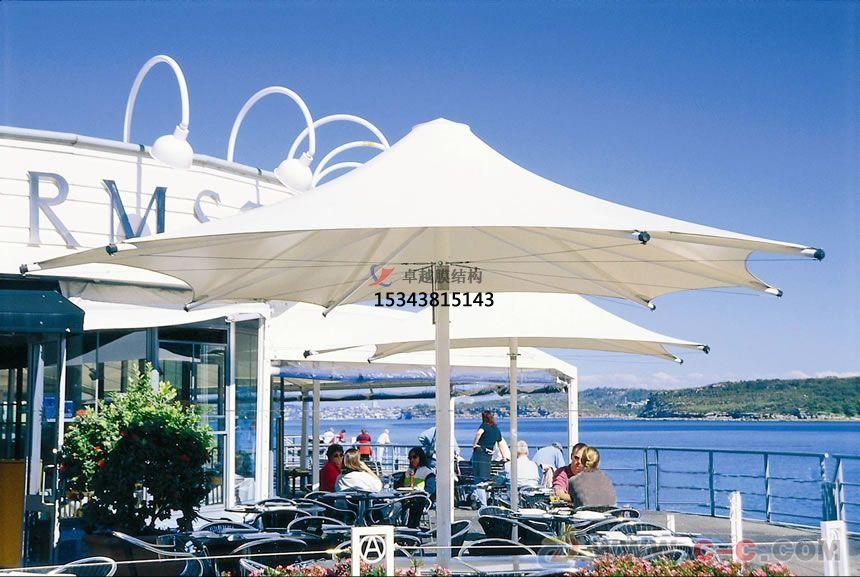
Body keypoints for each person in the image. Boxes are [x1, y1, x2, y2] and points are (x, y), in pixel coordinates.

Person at [471, 410, 504, 506]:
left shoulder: (484, 426)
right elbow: (500, 444)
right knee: (484, 480)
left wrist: (475, 444)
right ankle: (482, 500)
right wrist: (504, 456)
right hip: (488, 456)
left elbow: (479, 433)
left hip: (480, 455)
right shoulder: (496, 429)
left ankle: (483, 504)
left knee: (479, 481)